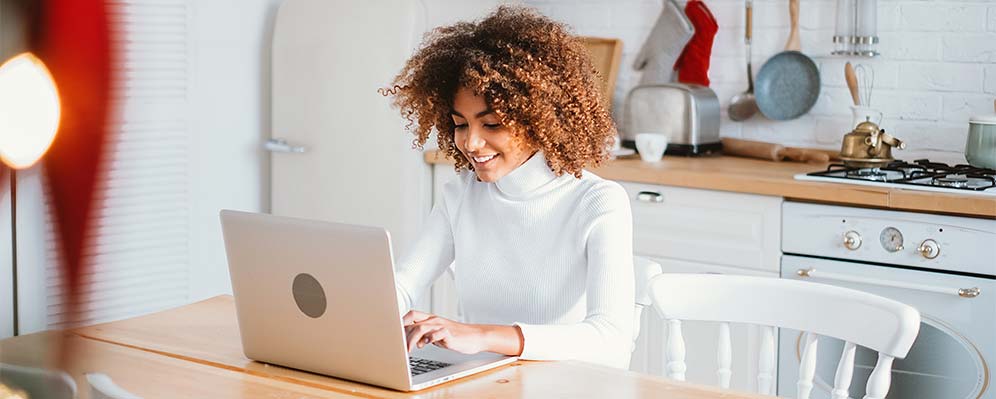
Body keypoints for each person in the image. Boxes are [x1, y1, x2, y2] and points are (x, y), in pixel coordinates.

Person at [381, 5, 634, 369]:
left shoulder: (597, 202)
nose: (470, 143)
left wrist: (481, 335)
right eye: (460, 124)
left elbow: (611, 337)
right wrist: (363, 316)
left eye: (493, 125)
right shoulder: (461, 195)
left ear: (539, 119)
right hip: (479, 383)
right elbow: (403, 285)